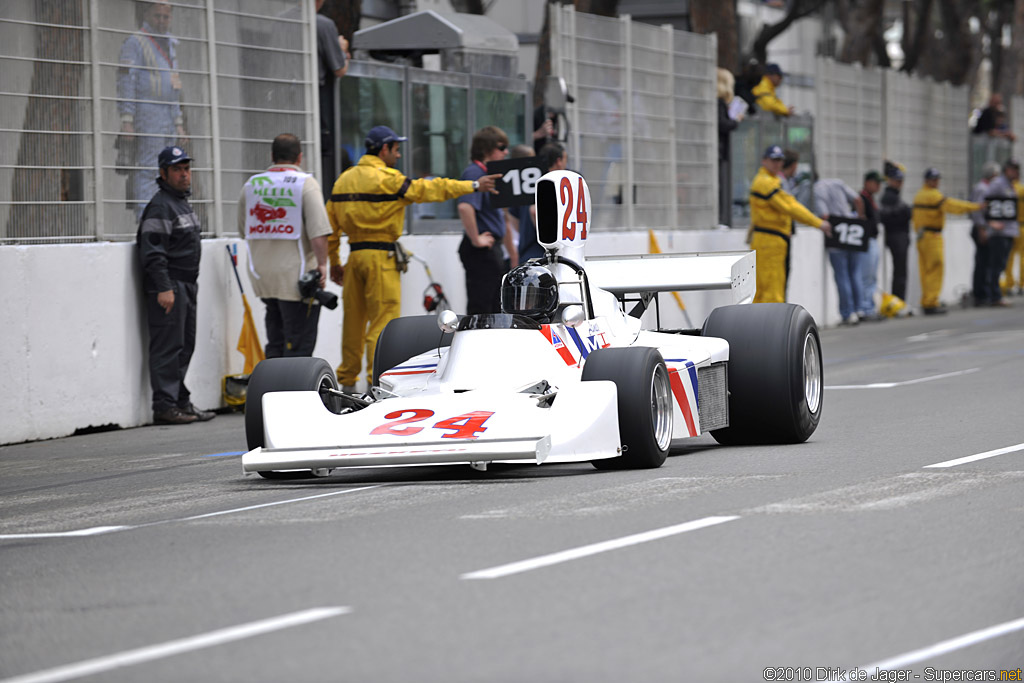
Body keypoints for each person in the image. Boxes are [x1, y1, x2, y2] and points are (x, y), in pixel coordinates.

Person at [326, 125, 499, 391]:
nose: (398, 156)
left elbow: (331, 228)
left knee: (353, 325)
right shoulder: (389, 179)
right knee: (381, 325)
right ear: (384, 149)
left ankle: (347, 385)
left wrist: (335, 262)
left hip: (355, 258)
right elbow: (430, 189)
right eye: (395, 150)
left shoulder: (342, 181)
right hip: (381, 259)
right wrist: (473, 185)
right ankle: (377, 384)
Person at [137, 146, 213, 425]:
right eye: (178, 170)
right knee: (167, 348)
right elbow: (153, 253)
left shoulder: (179, 202)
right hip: (171, 287)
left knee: (184, 346)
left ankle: (181, 401)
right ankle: (165, 406)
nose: (184, 175)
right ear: (163, 173)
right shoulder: (160, 206)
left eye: (186, 169)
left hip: (187, 286)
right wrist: (164, 287)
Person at [238, 134, 332, 358]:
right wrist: (322, 266)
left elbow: (243, 231)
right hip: (297, 280)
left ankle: (271, 388)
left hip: (263, 278)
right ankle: (292, 390)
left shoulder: (252, 185)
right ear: (299, 157)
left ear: (272, 156)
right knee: (298, 345)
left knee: (276, 339)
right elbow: (318, 233)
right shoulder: (305, 184)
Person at [118, 1, 185, 218]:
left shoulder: (171, 44)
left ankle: (167, 215)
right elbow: (127, 80)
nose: (162, 21)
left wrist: (179, 123)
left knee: (171, 167)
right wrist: (127, 119)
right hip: (147, 111)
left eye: (166, 17)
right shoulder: (135, 42)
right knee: (148, 167)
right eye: (158, 16)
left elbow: (175, 86)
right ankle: (146, 217)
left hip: (167, 112)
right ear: (147, 14)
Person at [748, 145, 831, 304]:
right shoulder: (766, 183)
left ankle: (761, 325)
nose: (777, 164)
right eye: (773, 160)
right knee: (773, 288)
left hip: (771, 240)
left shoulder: (772, 180)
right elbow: (790, 206)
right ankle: (771, 326)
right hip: (769, 241)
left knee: (765, 287)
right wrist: (818, 223)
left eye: (779, 161)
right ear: (764, 161)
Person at [458, 126, 515, 315]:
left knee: (494, 306)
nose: (505, 152)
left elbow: (502, 217)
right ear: (486, 149)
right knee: (482, 307)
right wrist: (476, 239)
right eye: (501, 147)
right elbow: (465, 206)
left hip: (492, 249)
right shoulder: (475, 173)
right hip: (481, 250)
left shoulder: (490, 175)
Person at [912, 167, 982, 314]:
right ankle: (932, 302)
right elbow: (953, 206)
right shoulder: (934, 195)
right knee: (936, 269)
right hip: (933, 237)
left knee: (925, 270)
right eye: (934, 179)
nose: (937, 182)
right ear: (928, 181)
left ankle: (926, 301)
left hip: (921, 237)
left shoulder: (919, 195)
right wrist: (975, 207)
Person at [814, 177, 866, 325]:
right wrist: (859, 218)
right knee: (855, 273)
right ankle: (859, 309)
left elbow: (824, 215)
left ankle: (848, 313)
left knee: (842, 276)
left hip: (836, 235)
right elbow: (858, 200)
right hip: (852, 230)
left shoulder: (817, 189)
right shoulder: (837, 182)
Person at [508, 141, 567, 264]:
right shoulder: (552, 183)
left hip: (526, 252)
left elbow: (512, 217)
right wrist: (552, 244)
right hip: (543, 256)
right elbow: (534, 211)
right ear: (558, 161)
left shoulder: (526, 183)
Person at [979, 160, 1020, 307]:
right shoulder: (997, 183)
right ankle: (994, 296)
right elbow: (984, 203)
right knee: (996, 265)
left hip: (1009, 230)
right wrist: (990, 223)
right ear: (1007, 170)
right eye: (1014, 169)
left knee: (1002, 264)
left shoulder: (1012, 185)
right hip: (998, 233)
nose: (1016, 172)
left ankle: (996, 294)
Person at [316, 0, 348, 183]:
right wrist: (342, 49)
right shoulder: (323, 24)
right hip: (319, 100)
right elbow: (339, 69)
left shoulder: (282, 20)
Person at [880, 161, 912, 304]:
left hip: (900, 235)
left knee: (901, 271)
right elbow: (885, 215)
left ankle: (899, 300)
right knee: (900, 271)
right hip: (895, 235)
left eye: (900, 181)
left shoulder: (895, 196)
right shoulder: (888, 196)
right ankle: (898, 300)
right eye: (897, 181)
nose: (899, 184)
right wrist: (904, 211)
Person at [969, 161, 1001, 306]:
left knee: (987, 261)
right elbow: (977, 210)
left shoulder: (987, 188)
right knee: (982, 262)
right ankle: (980, 294)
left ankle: (984, 292)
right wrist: (981, 229)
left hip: (986, 228)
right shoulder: (982, 188)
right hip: (981, 229)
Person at [717, 68, 743, 227]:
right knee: (719, 185)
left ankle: (720, 218)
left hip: (718, 151)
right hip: (718, 152)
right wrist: (736, 121)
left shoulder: (718, 103)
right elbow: (722, 124)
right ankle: (719, 218)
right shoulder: (718, 103)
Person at [859, 170, 884, 320]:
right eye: (876, 183)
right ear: (867, 182)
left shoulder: (871, 199)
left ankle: (870, 307)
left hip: (873, 240)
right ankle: (865, 308)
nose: (878, 186)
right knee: (866, 276)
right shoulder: (861, 198)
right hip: (866, 241)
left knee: (872, 276)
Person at [1001, 169, 1024, 296]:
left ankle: (1009, 285)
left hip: (1009, 227)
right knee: (1023, 257)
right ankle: (1022, 285)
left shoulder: (1007, 190)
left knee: (1009, 256)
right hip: (1022, 226)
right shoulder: (1022, 189)